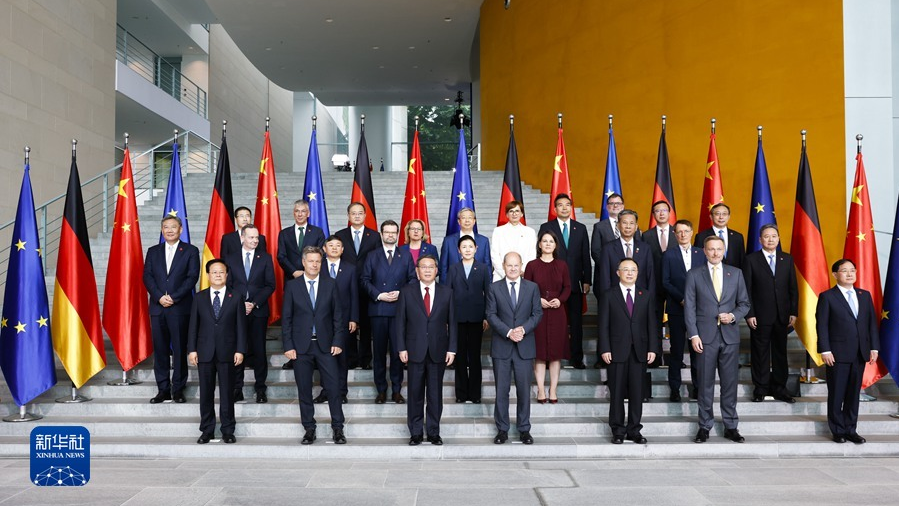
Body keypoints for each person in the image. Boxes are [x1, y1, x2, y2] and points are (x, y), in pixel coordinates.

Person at [685, 235, 750, 444]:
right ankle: (704, 426)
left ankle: (731, 426)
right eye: (711, 249)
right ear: (704, 251)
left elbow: (744, 304)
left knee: (729, 384)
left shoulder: (736, 274)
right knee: (704, 384)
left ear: (724, 251)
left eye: (718, 249)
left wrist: (733, 316)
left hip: (729, 337)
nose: (715, 253)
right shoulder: (694, 274)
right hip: (704, 337)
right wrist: (693, 334)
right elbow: (690, 308)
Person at [282, 246, 348, 445]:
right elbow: (287, 319)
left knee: (334, 388)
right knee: (304, 389)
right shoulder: (293, 286)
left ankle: (338, 428)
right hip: (301, 348)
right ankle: (309, 428)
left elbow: (338, 316)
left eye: (318, 261)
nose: (314, 264)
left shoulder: (330, 284)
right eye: (310, 261)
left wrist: (337, 341)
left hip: (326, 346)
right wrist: (288, 345)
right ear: (303, 262)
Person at [395, 254, 457, 445]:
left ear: (437, 270)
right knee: (414, 393)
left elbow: (453, 323)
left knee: (435, 394)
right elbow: (400, 323)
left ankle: (433, 432)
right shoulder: (407, 291)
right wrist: (401, 348)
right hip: (414, 350)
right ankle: (415, 432)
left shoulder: (446, 292)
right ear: (417, 271)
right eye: (424, 267)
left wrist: (452, 349)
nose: (428, 270)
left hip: (438, 350)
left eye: (431, 267)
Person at [816, 259, 879, 444]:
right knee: (837, 394)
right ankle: (837, 430)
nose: (850, 274)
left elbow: (871, 324)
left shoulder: (864, 295)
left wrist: (874, 347)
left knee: (853, 394)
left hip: (859, 353)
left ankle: (851, 429)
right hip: (837, 354)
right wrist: (825, 350)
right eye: (844, 271)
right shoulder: (827, 296)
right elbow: (822, 325)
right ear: (835, 274)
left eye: (852, 270)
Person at [598, 258, 660, 444]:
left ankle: (634, 430)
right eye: (626, 269)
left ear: (637, 273)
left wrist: (653, 348)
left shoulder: (646, 295)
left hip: (639, 351)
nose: (630, 273)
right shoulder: (609, 295)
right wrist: (605, 348)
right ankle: (617, 430)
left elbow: (652, 324)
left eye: (633, 269)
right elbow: (603, 325)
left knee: (636, 393)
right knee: (616, 393)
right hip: (616, 350)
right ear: (618, 272)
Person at [486, 252, 543, 445]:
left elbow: (537, 313)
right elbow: (491, 315)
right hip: (502, 346)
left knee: (523, 391)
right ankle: (502, 429)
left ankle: (524, 430)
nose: (512, 268)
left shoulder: (532, 288)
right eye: (509, 265)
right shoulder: (494, 288)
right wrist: (509, 332)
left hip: (525, 347)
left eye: (515, 265)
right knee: (501, 391)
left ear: (521, 266)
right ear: (503, 265)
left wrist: (523, 329)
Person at [187, 259, 246, 444]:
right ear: (208, 275)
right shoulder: (199, 297)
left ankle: (228, 430)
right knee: (206, 393)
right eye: (214, 272)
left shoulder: (235, 297)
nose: (218, 275)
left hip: (228, 352)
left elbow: (241, 327)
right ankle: (207, 430)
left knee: (228, 393)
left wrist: (240, 350)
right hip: (204, 352)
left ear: (227, 275)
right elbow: (193, 327)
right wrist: (192, 350)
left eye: (221, 272)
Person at [143, 216, 200, 404]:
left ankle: (178, 389)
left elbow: (192, 278)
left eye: (173, 227)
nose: (169, 230)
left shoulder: (190, 251)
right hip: (158, 308)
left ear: (180, 229)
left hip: (180, 308)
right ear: (161, 230)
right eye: (166, 227)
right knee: (160, 351)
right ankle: (163, 390)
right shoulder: (153, 252)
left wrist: (174, 297)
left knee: (179, 350)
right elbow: (147, 277)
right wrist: (160, 296)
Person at [361, 219, 416, 404]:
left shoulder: (406, 255)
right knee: (378, 353)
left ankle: (397, 389)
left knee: (397, 352)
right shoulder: (372, 255)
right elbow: (365, 280)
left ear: (398, 234)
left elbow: (413, 281)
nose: (390, 235)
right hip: (378, 309)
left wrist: (401, 293)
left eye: (394, 232)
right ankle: (381, 390)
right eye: (387, 232)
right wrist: (378, 295)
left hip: (399, 311)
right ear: (382, 234)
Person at [742, 224, 798, 403]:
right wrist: (749, 313)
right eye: (766, 236)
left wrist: (793, 312)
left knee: (780, 352)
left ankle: (780, 388)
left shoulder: (787, 259)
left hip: (782, 315)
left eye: (774, 236)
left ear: (778, 238)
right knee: (760, 353)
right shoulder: (751, 260)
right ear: (760, 240)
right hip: (759, 316)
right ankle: (760, 388)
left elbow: (793, 288)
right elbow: (746, 290)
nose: (770, 239)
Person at [538, 193, 591, 369]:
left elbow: (585, 255)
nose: (564, 208)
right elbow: (541, 255)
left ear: (571, 207)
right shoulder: (547, 226)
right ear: (555, 209)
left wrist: (586, 280)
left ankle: (576, 357)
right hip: (551, 285)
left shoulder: (580, 228)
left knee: (576, 323)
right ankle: (548, 356)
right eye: (560, 205)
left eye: (567, 205)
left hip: (574, 283)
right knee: (550, 323)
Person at [225, 224, 275, 404]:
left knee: (259, 350)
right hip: (236, 311)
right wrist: (240, 304)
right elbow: (227, 284)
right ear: (242, 238)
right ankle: (237, 387)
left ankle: (260, 388)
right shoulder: (230, 258)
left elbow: (270, 285)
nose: (255, 241)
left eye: (257, 238)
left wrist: (253, 303)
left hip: (258, 311)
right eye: (251, 237)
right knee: (238, 349)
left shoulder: (266, 258)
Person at [523, 230, 571, 403]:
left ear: (555, 245)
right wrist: (538, 300)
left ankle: (553, 390)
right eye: (545, 241)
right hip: (538, 314)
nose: (548, 244)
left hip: (558, 313)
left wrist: (560, 300)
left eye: (551, 241)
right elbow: (526, 288)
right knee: (540, 353)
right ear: (539, 244)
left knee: (556, 354)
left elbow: (567, 287)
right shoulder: (531, 265)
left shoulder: (562, 265)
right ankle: (541, 390)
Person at [661, 220, 705, 401]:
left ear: (692, 232)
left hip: (699, 311)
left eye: (686, 231)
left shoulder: (701, 254)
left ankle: (698, 388)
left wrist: (694, 300)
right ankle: (675, 388)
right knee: (676, 351)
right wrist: (681, 299)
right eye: (679, 232)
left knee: (698, 351)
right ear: (674, 234)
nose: (682, 235)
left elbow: (707, 279)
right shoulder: (668, 255)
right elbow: (665, 281)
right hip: (676, 309)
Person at [443, 235, 490, 403]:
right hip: (458, 318)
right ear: (458, 250)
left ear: (476, 249)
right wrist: (448, 319)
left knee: (475, 356)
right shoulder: (453, 268)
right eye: (464, 247)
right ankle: (461, 394)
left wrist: (486, 316)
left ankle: (475, 394)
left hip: (477, 318)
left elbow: (488, 294)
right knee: (460, 356)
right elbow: (448, 294)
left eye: (471, 246)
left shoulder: (484, 268)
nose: (468, 249)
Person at [335, 202, 381, 370]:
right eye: (353, 213)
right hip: (346, 288)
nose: (356, 216)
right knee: (349, 324)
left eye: (360, 213)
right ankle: (351, 358)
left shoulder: (374, 236)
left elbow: (378, 261)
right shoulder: (340, 235)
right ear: (348, 216)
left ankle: (365, 359)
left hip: (367, 287)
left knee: (367, 325)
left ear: (365, 215)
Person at [313, 235, 359, 405]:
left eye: (338, 245)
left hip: (344, 320)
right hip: (323, 320)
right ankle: (325, 391)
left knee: (342, 357)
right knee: (325, 358)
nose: (334, 248)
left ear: (342, 249)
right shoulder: (318, 267)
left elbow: (354, 295)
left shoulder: (350, 268)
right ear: (324, 249)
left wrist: (354, 318)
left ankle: (341, 391)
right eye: (330, 245)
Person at [597, 209, 653, 293]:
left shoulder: (645, 248)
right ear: (618, 225)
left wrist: (650, 299)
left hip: (641, 296)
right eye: (624, 223)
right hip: (615, 296)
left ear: (636, 227)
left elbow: (650, 276)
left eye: (631, 223)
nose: (628, 226)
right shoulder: (608, 248)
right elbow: (605, 278)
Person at [277, 199, 326, 282]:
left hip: (313, 276)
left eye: (303, 211)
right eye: (297, 211)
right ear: (294, 213)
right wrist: (294, 271)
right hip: (291, 278)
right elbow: (281, 256)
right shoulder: (284, 233)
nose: (300, 214)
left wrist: (309, 271)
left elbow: (322, 254)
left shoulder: (317, 232)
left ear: (308, 213)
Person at [643, 200, 676, 327]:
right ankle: (656, 346)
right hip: (654, 282)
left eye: (664, 210)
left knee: (675, 320)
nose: (661, 213)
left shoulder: (678, 233)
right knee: (654, 318)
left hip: (674, 283)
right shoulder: (646, 235)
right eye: (657, 211)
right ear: (653, 214)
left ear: (669, 213)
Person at [439, 207, 492, 280]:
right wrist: (444, 289)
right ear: (459, 221)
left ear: (474, 221)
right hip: (454, 286)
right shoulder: (448, 241)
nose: (467, 220)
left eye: (470, 218)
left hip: (477, 285)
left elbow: (487, 266)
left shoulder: (484, 241)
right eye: (463, 218)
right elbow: (443, 267)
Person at [590, 193, 643, 266]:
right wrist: (609, 267)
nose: (615, 206)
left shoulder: (631, 225)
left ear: (623, 206)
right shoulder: (599, 226)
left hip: (630, 270)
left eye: (618, 203)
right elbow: (595, 251)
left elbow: (638, 246)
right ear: (607, 207)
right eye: (612, 203)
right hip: (607, 270)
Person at [490, 200, 537, 281]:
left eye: (517, 211)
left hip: (523, 275)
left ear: (522, 214)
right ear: (507, 215)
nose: (514, 214)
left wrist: (523, 271)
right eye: (511, 211)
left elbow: (532, 254)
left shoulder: (530, 232)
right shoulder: (498, 231)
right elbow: (495, 254)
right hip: (501, 276)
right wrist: (504, 273)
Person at [694, 203, 745, 269]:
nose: (721, 217)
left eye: (724, 214)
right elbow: (697, 260)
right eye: (717, 214)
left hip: (733, 276)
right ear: (711, 217)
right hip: (709, 275)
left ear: (729, 217)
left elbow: (742, 261)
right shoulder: (701, 236)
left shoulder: (738, 237)